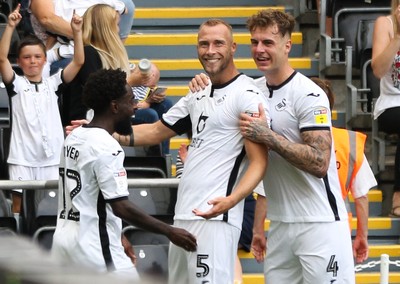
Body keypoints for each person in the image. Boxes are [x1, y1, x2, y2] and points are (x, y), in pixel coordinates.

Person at [101, 18, 269, 283]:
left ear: (234, 47)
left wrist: (231, 200)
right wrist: (102, 131)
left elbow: (259, 162)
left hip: (215, 219)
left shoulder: (246, 95)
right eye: (204, 44)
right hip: (182, 217)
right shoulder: (198, 93)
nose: (210, 50)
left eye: (218, 43)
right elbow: (156, 131)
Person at [238, 9, 355, 283]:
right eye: (254, 42)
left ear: (287, 45)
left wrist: (267, 136)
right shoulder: (250, 89)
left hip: (320, 223)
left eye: (268, 42)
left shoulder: (309, 93)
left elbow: (319, 162)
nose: (259, 49)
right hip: (279, 224)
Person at [51, 68, 197, 280]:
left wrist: (116, 233)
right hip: (95, 251)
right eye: (130, 100)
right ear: (114, 106)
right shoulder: (107, 147)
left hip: (65, 243)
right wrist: (170, 231)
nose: (135, 106)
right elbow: (121, 206)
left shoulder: (74, 137)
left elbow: (88, 199)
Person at [0, 5, 84, 224]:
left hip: (52, 157)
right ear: (19, 61)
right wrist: (10, 27)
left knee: (52, 206)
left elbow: (79, 62)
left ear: (45, 60)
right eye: (27, 57)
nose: (33, 61)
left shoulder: (53, 83)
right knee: (19, 207)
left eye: (38, 56)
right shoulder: (16, 85)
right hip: (22, 156)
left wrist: (76, 31)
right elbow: (1, 60)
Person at [310, 77, 377, 264]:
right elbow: (361, 195)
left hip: (297, 226)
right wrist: (362, 235)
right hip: (337, 228)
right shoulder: (349, 142)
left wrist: (258, 229)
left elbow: (265, 196)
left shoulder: (287, 139)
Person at [61, 4, 158, 127]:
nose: (118, 30)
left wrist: (148, 96)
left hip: (111, 110)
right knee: (150, 115)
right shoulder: (88, 53)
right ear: (105, 28)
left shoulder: (108, 53)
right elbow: (98, 94)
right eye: (116, 25)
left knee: (163, 105)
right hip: (90, 117)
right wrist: (130, 81)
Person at [29, 0, 134, 75]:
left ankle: (113, 55)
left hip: (88, 38)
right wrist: (88, 36)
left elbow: (122, 8)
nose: (118, 29)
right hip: (65, 44)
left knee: (128, 4)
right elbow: (46, 19)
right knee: (89, 60)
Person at [372, 0, 400, 218]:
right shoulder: (386, 23)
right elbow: (379, 70)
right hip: (392, 104)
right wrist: (398, 36)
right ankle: (398, 197)